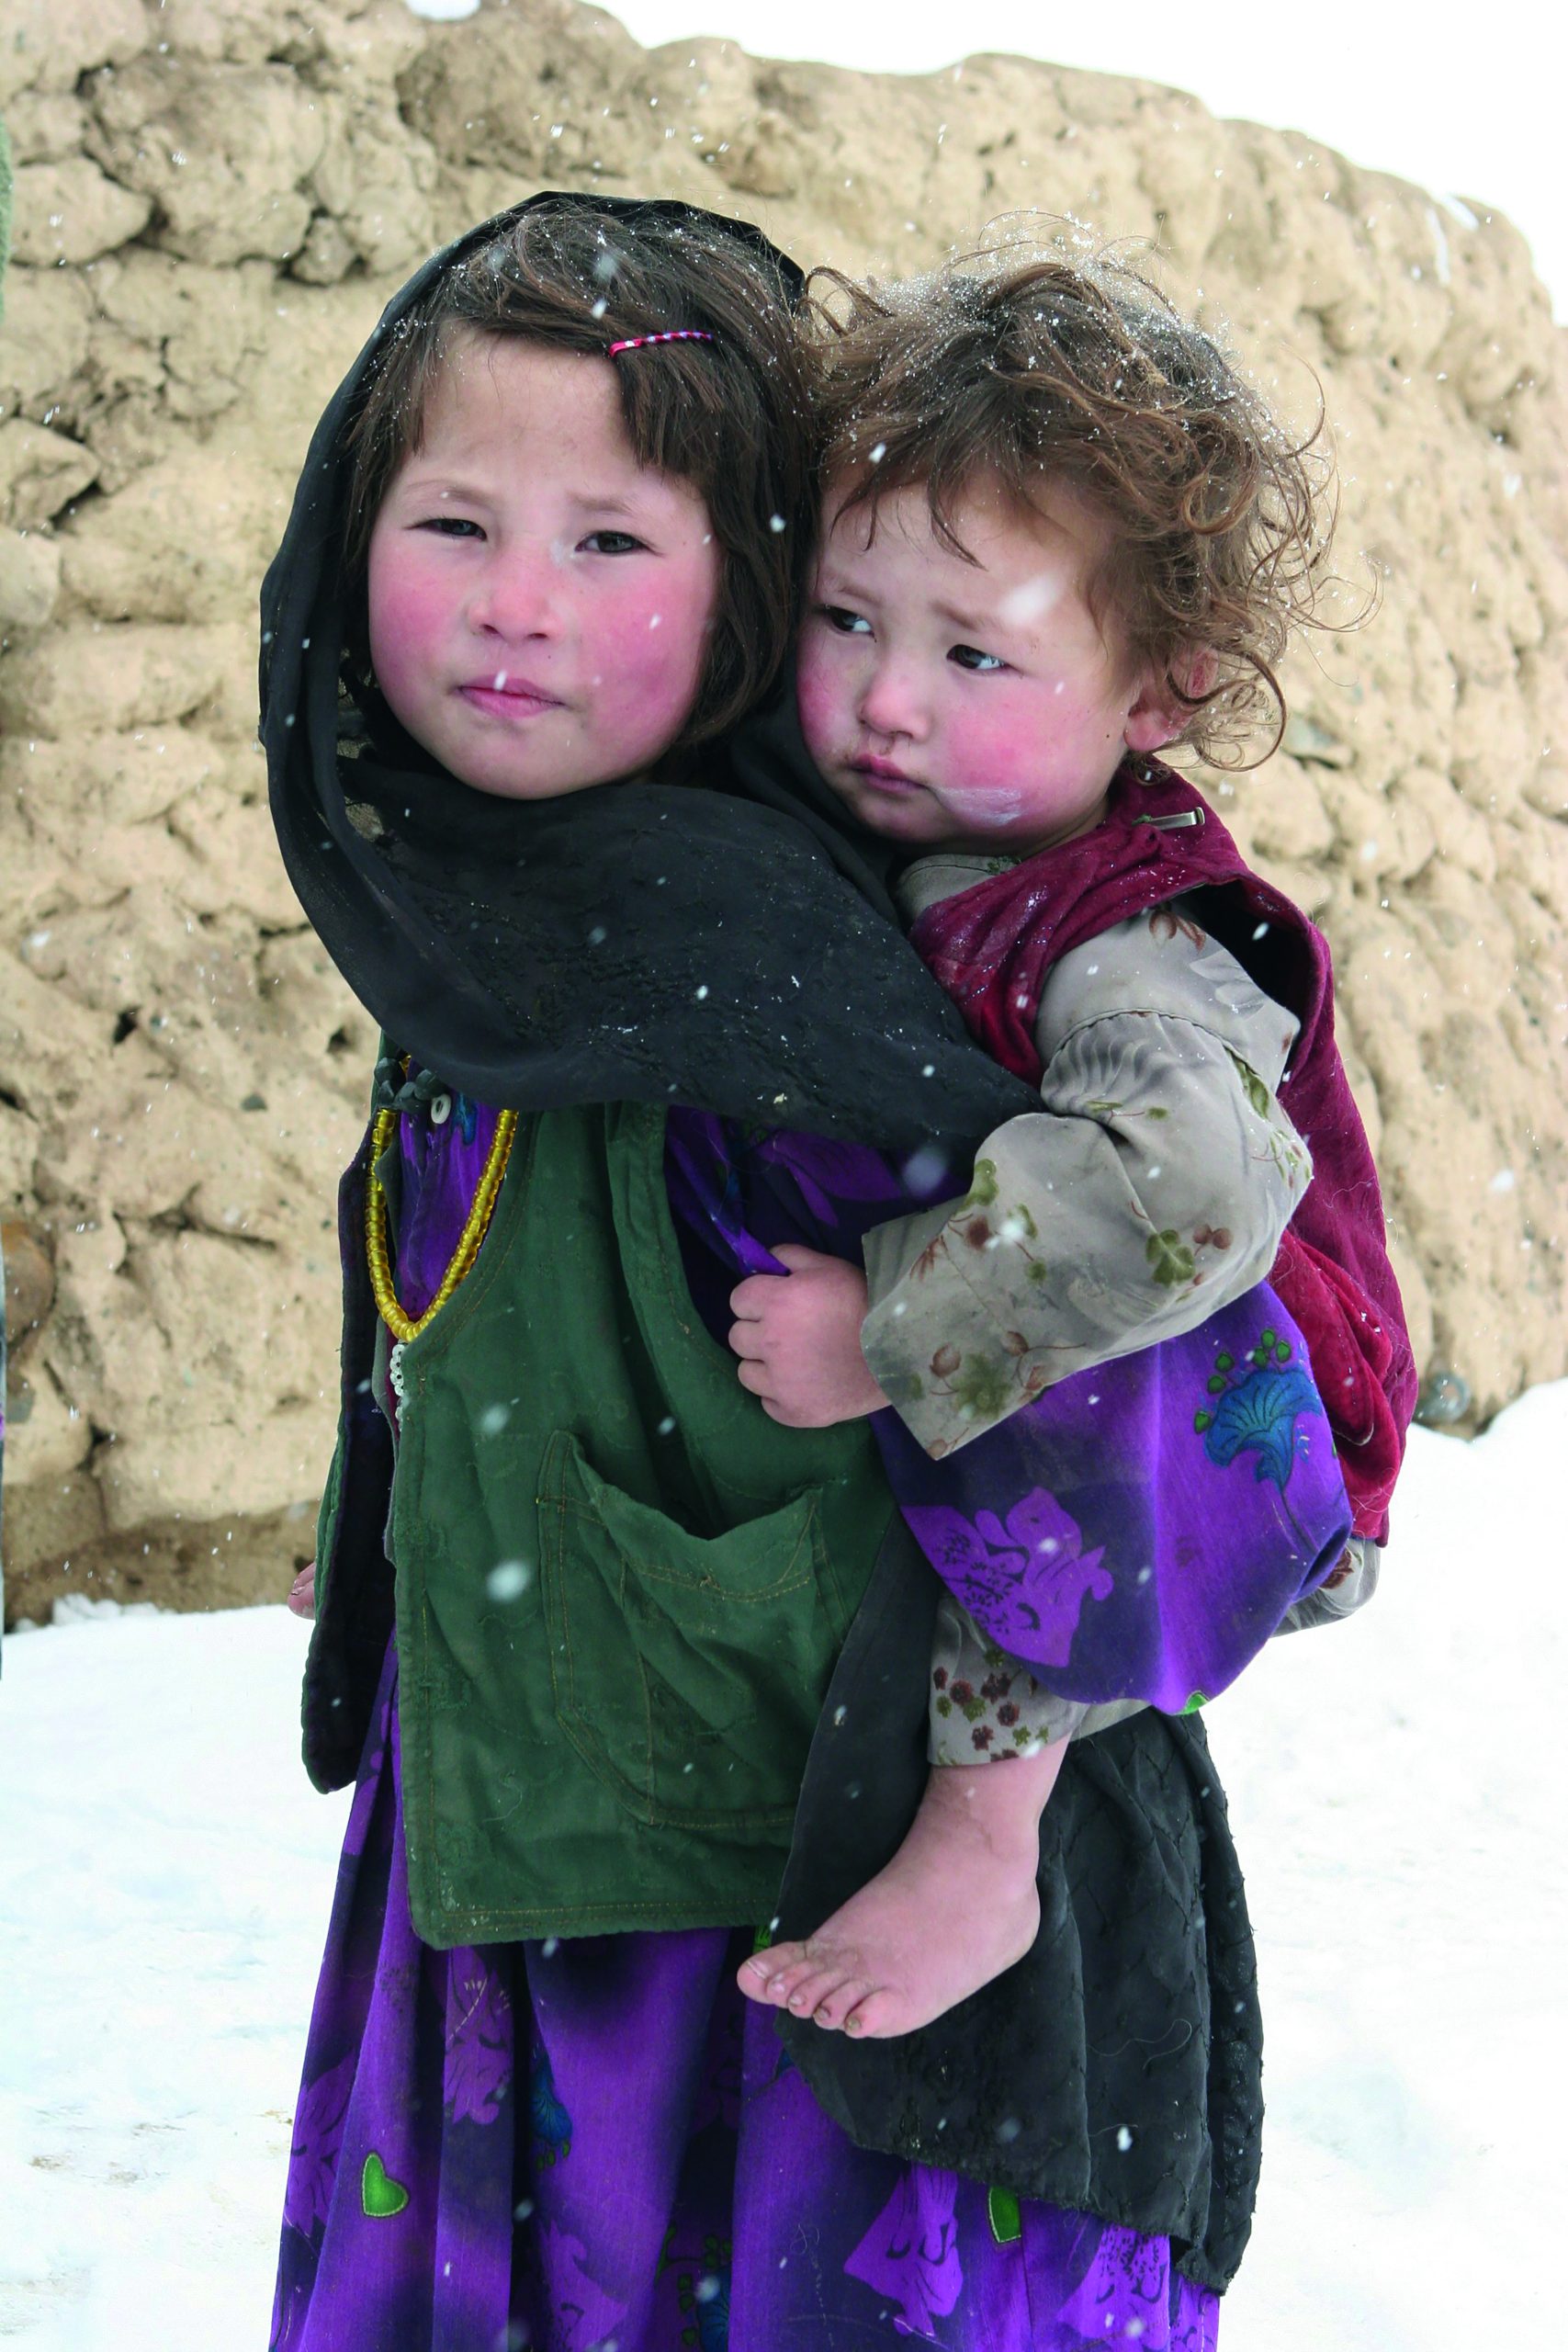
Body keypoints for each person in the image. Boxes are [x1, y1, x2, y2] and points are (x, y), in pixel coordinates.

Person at [265, 194, 1365, 2349]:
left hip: (776, 1931)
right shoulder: (499, 910)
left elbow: (1153, 1358)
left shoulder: (828, 969)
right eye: (452, 519)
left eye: (610, 540)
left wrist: (983, 1787)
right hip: (530, 1856)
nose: (512, 608)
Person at [735, 249, 1413, 2044]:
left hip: (1266, 1420)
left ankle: (982, 1826)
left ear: (1155, 695)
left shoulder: (1126, 948)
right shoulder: (929, 835)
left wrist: (889, 1327)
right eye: (844, 619)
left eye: (971, 650)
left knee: (1100, 1254)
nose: (887, 697)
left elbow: (1194, 1191)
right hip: (1178, 1396)